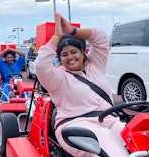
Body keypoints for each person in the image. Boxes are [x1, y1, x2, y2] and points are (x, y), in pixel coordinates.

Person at [35, 13, 129, 156]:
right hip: (74, 125)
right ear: (59, 58)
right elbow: (41, 65)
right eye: (64, 55)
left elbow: (101, 37)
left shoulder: (95, 64)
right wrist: (57, 36)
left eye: (74, 52)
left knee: (137, 136)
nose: (70, 57)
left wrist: (72, 31)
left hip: (110, 120)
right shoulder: (57, 77)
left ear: (83, 53)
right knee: (107, 141)